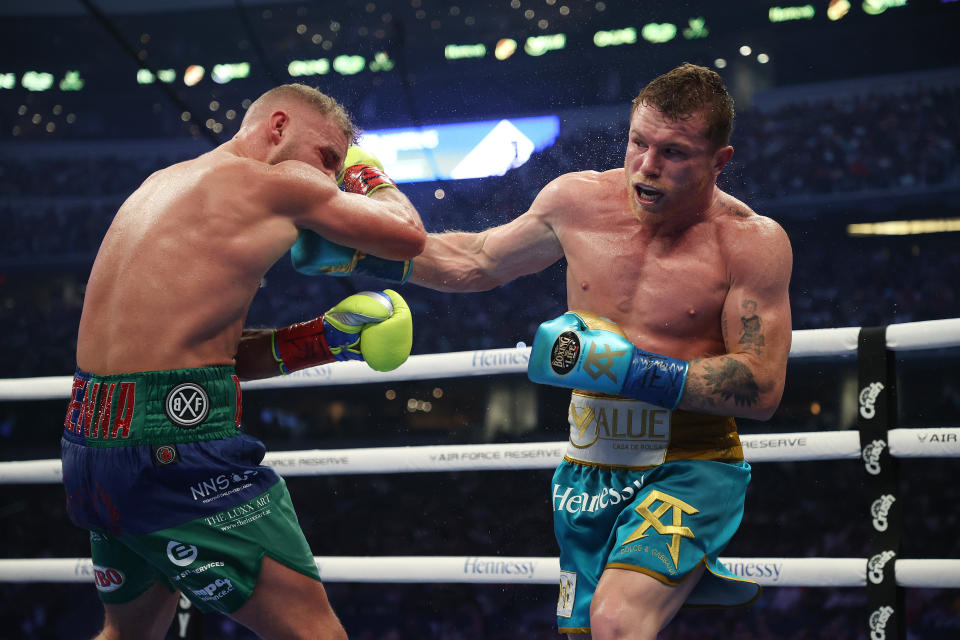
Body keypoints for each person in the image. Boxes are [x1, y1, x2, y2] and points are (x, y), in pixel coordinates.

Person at [409, 63, 793, 639]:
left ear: (720, 161)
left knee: (615, 623)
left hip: (691, 464)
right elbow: (477, 260)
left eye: (674, 152)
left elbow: (761, 386)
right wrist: (368, 249)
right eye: (638, 141)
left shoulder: (750, 241)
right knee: (586, 632)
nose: (647, 165)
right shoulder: (575, 202)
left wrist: (627, 370)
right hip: (589, 465)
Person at [60, 83, 425, 639]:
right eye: (326, 157)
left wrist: (324, 339)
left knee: (127, 635)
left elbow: (200, 356)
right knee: (315, 634)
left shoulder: (161, 183)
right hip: (175, 451)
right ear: (277, 127)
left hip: (92, 445)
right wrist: (365, 173)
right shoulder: (278, 180)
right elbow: (407, 236)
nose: (328, 177)